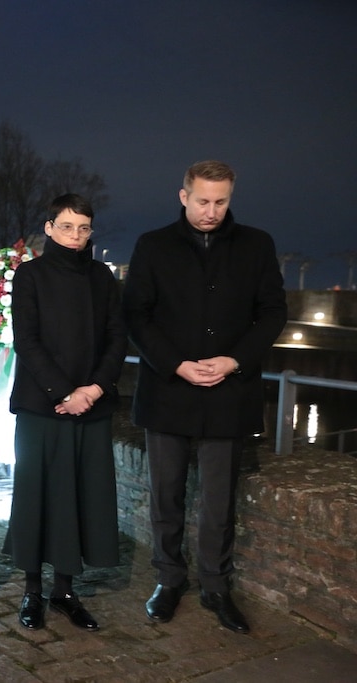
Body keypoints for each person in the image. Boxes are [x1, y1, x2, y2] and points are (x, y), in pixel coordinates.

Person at [123, 160, 286, 634]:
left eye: (221, 201)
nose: (211, 210)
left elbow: (273, 313)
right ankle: (169, 580)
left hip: (229, 393)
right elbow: (136, 314)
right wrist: (175, 362)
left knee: (220, 500)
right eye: (202, 201)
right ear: (183, 196)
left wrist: (234, 360)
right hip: (168, 389)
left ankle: (217, 587)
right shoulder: (152, 245)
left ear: (230, 197)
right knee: (166, 496)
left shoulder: (258, 245)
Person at [3, 193, 127, 632]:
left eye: (84, 228)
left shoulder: (102, 277)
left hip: (91, 406)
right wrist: (64, 391)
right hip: (43, 405)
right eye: (67, 226)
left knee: (81, 495)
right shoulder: (30, 275)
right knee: (37, 496)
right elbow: (27, 341)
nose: (76, 236)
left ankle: (65, 590)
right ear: (50, 228)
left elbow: (117, 337)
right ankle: (32, 590)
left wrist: (91, 390)